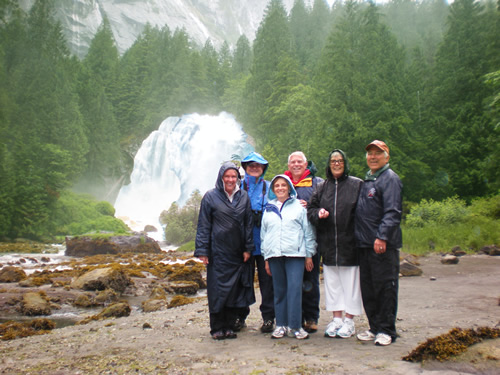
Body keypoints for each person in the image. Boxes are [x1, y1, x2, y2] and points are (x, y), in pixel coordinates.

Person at [194, 161, 256, 340]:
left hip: (237, 253)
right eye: (227, 176)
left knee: (233, 291)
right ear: (221, 178)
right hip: (217, 253)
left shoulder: (243, 196)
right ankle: (216, 327)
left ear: (238, 178)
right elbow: (204, 225)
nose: (230, 179)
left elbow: (247, 224)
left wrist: (247, 248)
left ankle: (229, 326)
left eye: (233, 176)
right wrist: (203, 251)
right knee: (217, 290)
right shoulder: (210, 197)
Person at [307, 149, 363, 339]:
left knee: (351, 284)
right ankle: (336, 319)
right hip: (329, 245)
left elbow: (365, 213)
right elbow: (311, 210)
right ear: (329, 165)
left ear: (345, 163)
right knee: (333, 285)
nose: (337, 164)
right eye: (333, 161)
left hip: (350, 244)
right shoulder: (322, 187)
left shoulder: (357, 185)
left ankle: (349, 320)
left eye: (340, 160)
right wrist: (319, 213)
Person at [355, 140, 402, 346]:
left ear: (386, 157)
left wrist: (382, 236)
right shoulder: (368, 180)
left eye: (377, 153)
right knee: (369, 288)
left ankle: (387, 330)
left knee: (385, 287)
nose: (373, 157)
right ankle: (374, 327)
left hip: (382, 244)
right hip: (364, 245)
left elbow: (393, 212)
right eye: (370, 154)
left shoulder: (389, 179)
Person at [260, 174, 317, 340]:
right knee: (279, 291)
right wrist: (266, 258)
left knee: (294, 290)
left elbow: (308, 232)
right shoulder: (269, 208)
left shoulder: (299, 207)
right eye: (276, 186)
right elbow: (264, 235)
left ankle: (296, 326)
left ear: (289, 187)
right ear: (273, 189)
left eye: (283, 185)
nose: (280, 188)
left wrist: (309, 255)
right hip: (275, 255)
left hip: (295, 254)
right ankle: (281, 326)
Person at [235, 151, 275, 333]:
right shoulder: (237, 188)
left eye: (258, 165)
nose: (254, 168)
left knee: (268, 283)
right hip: (243, 245)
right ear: (245, 168)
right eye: (251, 165)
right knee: (243, 282)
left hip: (265, 244)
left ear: (263, 168)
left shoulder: (271, 187)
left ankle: (268, 318)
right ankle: (240, 316)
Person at [284, 151, 323, 333]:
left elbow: (326, 207)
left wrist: (310, 206)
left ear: (306, 164)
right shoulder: (283, 183)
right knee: (291, 280)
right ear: (289, 165)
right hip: (289, 241)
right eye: (293, 162)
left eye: (300, 161)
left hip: (310, 240)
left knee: (311, 279)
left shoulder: (317, 183)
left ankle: (311, 317)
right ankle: (295, 317)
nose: (296, 164)